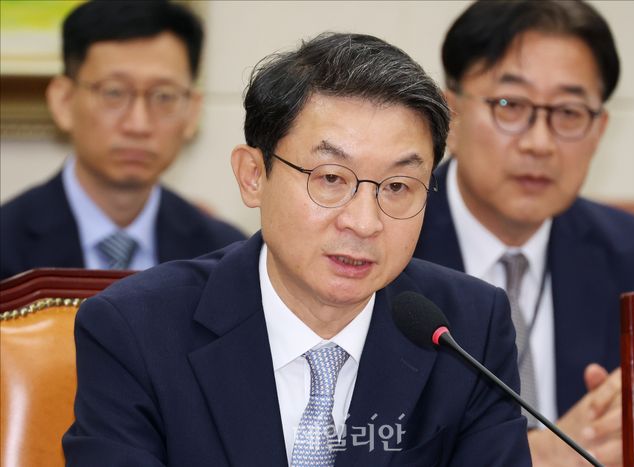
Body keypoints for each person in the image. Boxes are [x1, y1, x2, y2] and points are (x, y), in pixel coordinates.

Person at [62, 32, 531, 466]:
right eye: (331, 179)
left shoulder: (468, 331)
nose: (364, 223)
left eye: (397, 186)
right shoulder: (136, 330)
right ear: (253, 176)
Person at [414, 1, 634, 466]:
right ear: (452, 116)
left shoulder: (631, 252)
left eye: (569, 112)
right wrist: (537, 455)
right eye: (510, 105)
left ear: (599, 130)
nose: (539, 143)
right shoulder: (390, 242)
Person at [0, 0, 246, 280]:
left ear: (192, 111)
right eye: (114, 93)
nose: (138, 125)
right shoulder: (6, 243)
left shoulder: (225, 255)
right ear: (64, 101)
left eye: (164, 96)